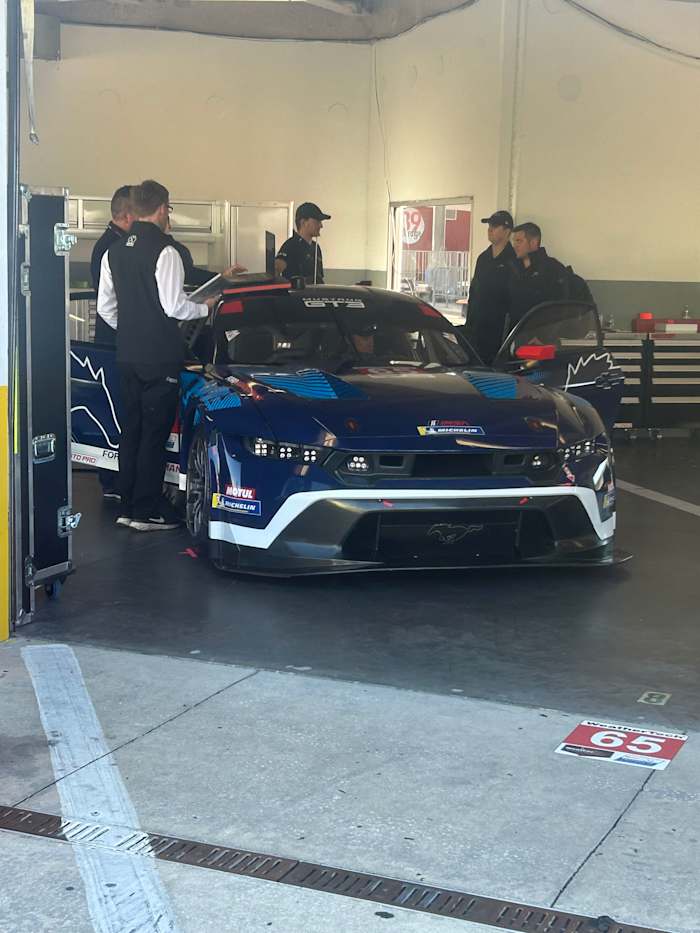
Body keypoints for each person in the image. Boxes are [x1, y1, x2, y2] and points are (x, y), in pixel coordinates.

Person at [97, 179, 218, 531]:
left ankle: (128, 503)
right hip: (159, 357)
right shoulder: (167, 251)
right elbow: (175, 306)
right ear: (163, 208)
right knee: (154, 433)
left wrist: (132, 327)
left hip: (127, 355)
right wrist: (205, 307)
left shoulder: (113, 251)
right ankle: (146, 511)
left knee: (131, 430)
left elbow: (106, 307)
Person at [465, 210, 516, 364]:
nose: (490, 229)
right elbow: (474, 292)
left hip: (499, 332)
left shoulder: (513, 261)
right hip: (477, 331)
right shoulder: (483, 259)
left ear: (507, 231)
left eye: (495, 226)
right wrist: (469, 325)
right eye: (489, 225)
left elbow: (514, 300)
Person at [91, 185, 135, 346]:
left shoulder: (107, 243)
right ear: (129, 216)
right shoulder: (116, 247)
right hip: (116, 337)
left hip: (113, 332)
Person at [508, 222, 570, 327]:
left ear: (533, 242)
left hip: (543, 337)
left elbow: (561, 306)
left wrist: (544, 335)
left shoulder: (552, 269)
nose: (514, 246)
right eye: (513, 242)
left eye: (519, 241)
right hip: (516, 335)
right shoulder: (512, 268)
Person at [275, 202, 330, 284]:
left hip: (314, 295)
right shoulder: (291, 245)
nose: (321, 225)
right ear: (303, 222)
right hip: (297, 296)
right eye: (317, 221)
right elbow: (275, 271)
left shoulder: (316, 247)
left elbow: (319, 278)